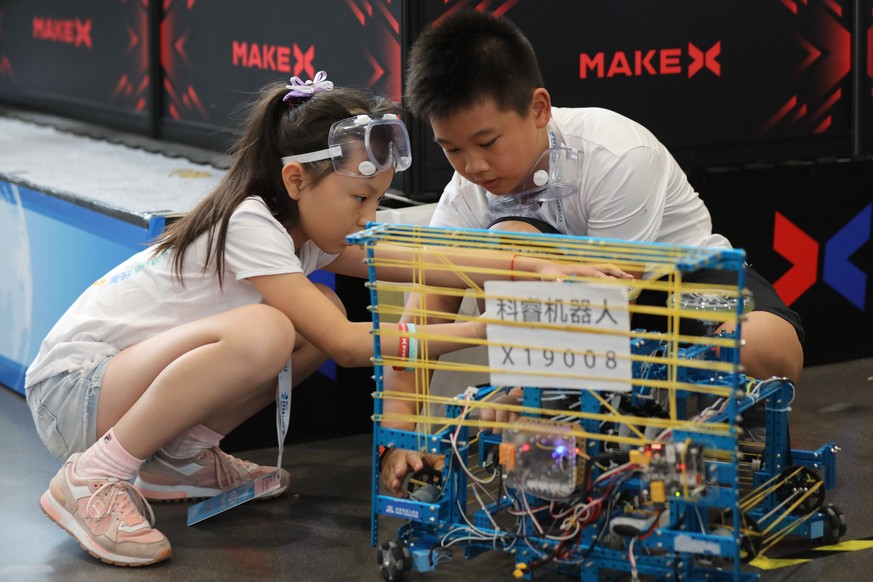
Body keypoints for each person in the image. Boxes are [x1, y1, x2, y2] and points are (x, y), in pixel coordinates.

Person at [25, 72, 626, 567]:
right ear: (295, 178)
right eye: (359, 200)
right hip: (72, 390)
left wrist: (532, 270)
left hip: (116, 390)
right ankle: (94, 476)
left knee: (320, 311)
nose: (369, 215)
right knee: (275, 331)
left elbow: (419, 261)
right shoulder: (250, 222)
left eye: (377, 201)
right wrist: (491, 331)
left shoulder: (306, 228)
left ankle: (178, 456)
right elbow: (343, 346)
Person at [379, 10, 805, 496]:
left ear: (538, 108)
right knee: (501, 241)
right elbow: (421, 313)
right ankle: (566, 456)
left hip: (682, 289)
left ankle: (697, 431)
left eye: (487, 142)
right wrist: (398, 430)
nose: (473, 166)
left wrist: (519, 391)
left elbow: (612, 303)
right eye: (452, 150)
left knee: (767, 345)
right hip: (578, 329)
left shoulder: (617, 155)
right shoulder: (465, 194)